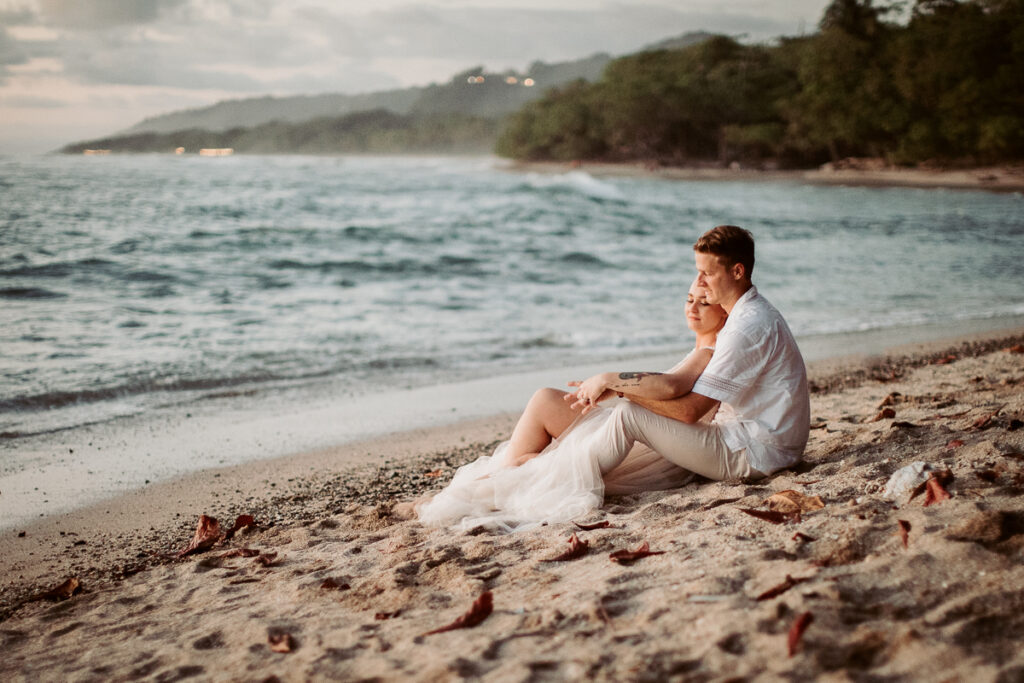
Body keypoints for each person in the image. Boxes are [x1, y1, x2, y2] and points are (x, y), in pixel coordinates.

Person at [415, 277, 727, 531]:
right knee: (546, 401)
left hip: (648, 445)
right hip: (637, 427)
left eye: (704, 302)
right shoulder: (700, 349)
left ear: (724, 311)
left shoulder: (708, 353)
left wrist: (615, 384)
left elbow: (673, 393)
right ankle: (512, 471)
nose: (693, 307)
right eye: (689, 299)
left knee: (536, 456)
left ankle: (467, 493)